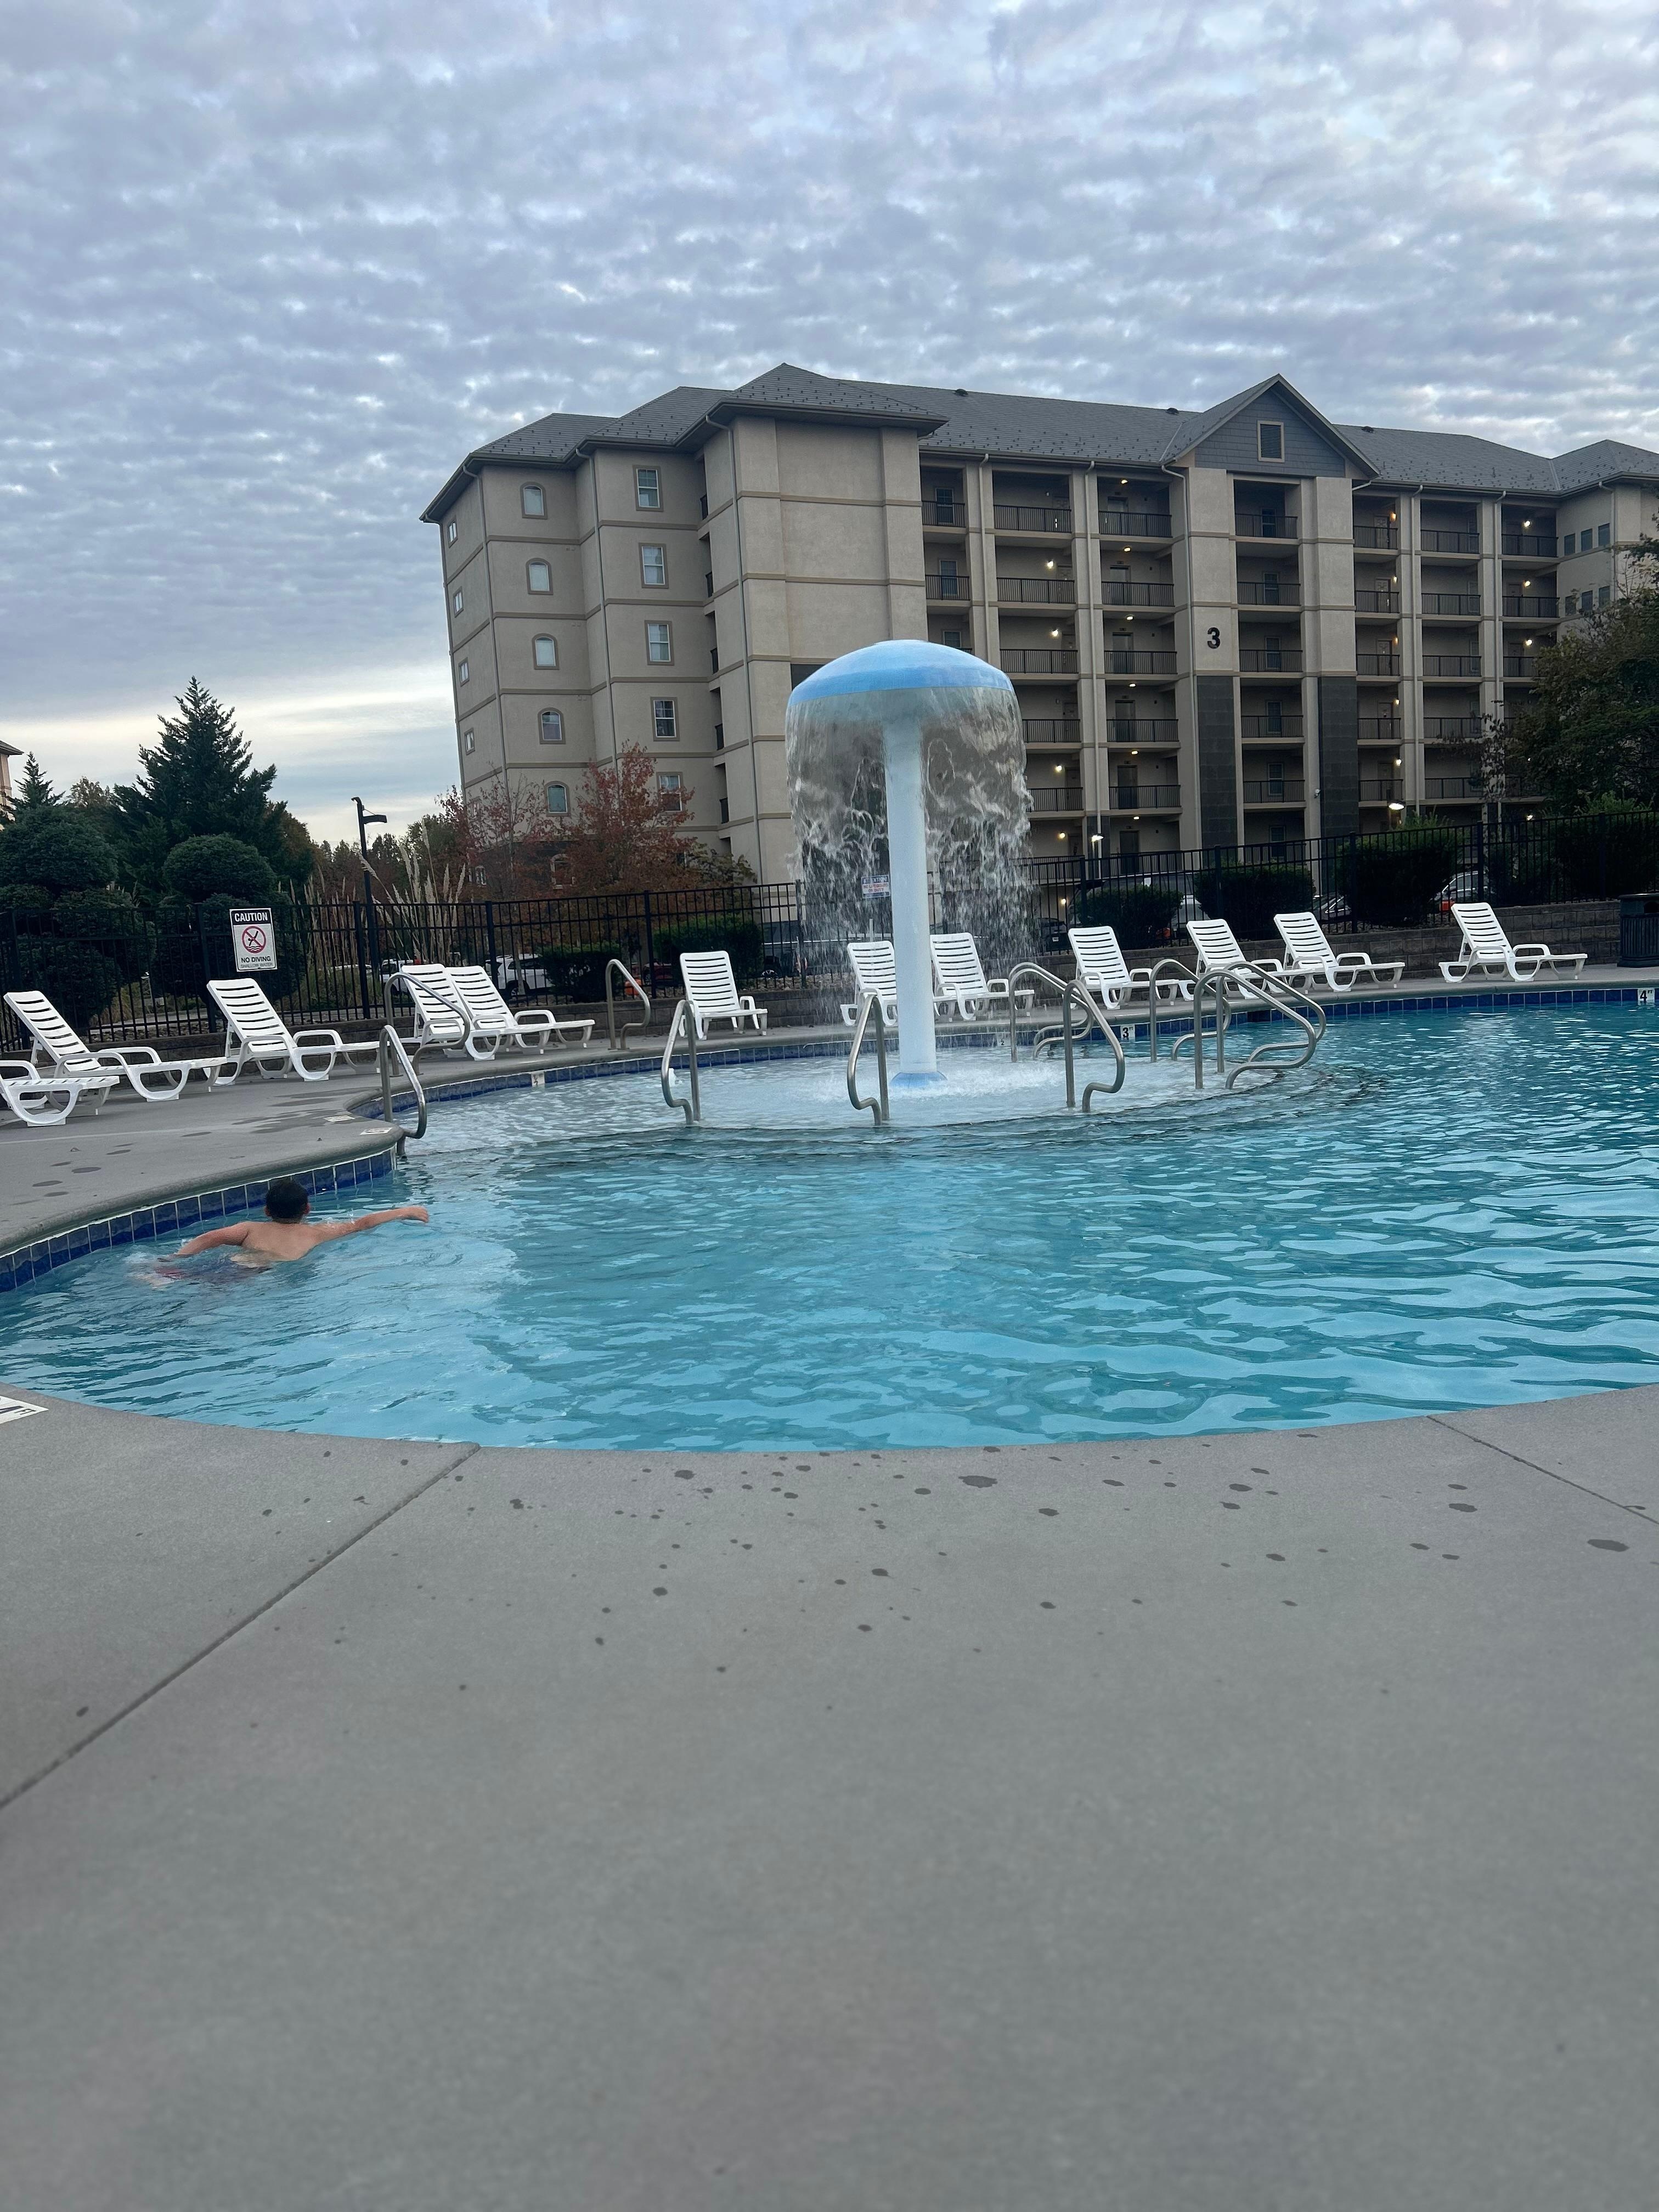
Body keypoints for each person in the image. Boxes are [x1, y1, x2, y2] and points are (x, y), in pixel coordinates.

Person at [176, 1177, 428, 1264]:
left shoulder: (249, 1229)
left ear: (266, 1211)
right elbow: (362, 1224)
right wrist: (405, 1211)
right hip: (267, 1269)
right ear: (307, 1209)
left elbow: (210, 1238)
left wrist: (176, 1258)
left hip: (236, 1262)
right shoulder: (318, 1233)